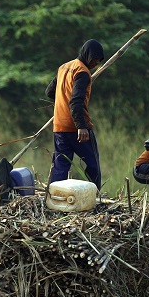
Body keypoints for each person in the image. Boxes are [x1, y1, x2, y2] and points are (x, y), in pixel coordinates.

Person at [45, 39, 105, 189]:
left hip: (59, 127)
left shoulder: (63, 67)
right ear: (88, 55)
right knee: (93, 165)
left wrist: (61, 103)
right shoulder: (82, 72)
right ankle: (94, 195)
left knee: (60, 167)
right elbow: (76, 101)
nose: (96, 64)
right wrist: (81, 127)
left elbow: (49, 92)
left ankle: (54, 197)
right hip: (77, 128)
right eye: (95, 59)